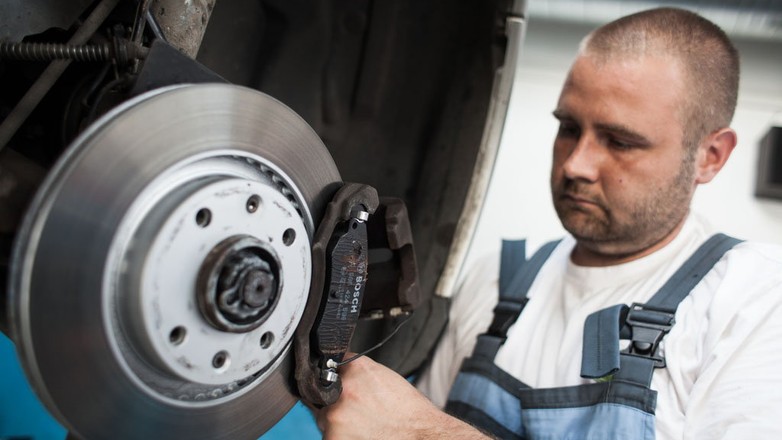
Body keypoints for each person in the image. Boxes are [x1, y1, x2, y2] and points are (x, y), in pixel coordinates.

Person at [315, 7, 782, 439]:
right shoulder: (496, 279)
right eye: (569, 128)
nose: (576, 164)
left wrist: (421, 433)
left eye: (620, 141)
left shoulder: (751, 300)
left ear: (710, 156)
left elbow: (417, 426)